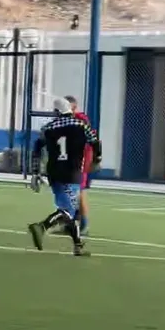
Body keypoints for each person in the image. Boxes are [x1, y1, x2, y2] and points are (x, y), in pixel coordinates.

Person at [28, 97, 101, 257]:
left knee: (71, 210)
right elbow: (95, 141)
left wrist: (35, 172)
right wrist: (97, 159)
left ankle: (78, 246)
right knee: (68, 210)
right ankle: (42, 226)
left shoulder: (48, 128)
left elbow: (37, 149)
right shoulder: (81, 125)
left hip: (54, 173)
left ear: (56, 112)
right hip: (72, 172)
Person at [64, 95, 94, 235]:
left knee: (79, 191)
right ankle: (70, 223)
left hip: (80, 160)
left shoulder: (81, 120)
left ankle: (84, 224)